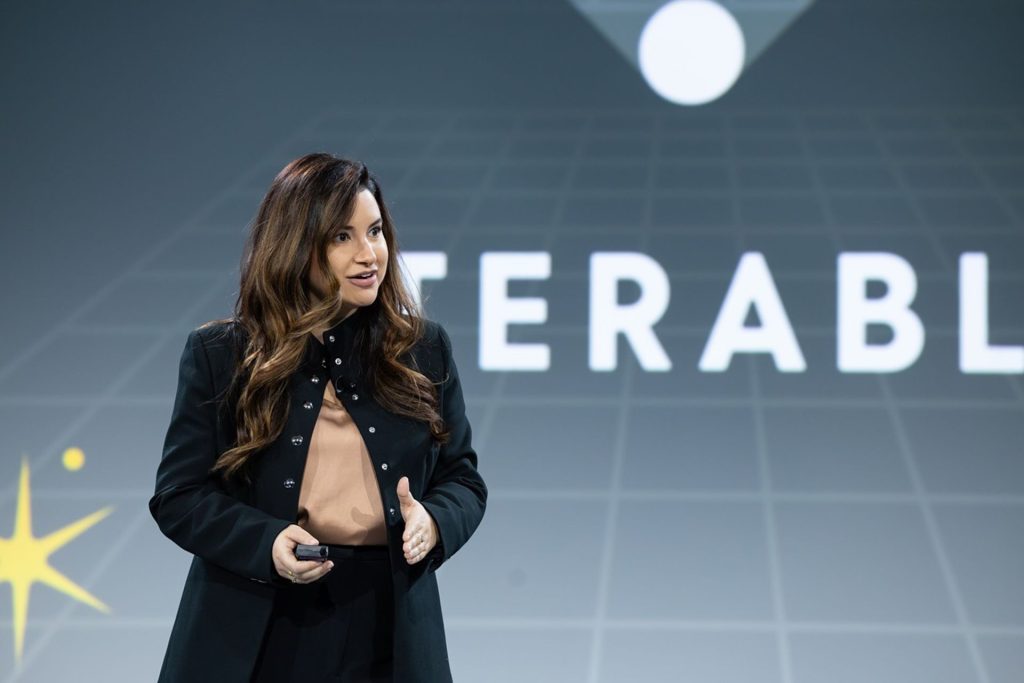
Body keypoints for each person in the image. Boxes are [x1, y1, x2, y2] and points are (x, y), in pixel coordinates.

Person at [149, 152, 487, 683]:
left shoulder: (423, 349)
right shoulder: (223, 355)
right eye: (341, 237)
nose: (368, 254)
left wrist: (435, 521)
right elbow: (179, 496)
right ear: (294, 246)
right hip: (259, 621)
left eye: (375, 231)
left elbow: (463, 479)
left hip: (390, 623)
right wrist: (265, 543)